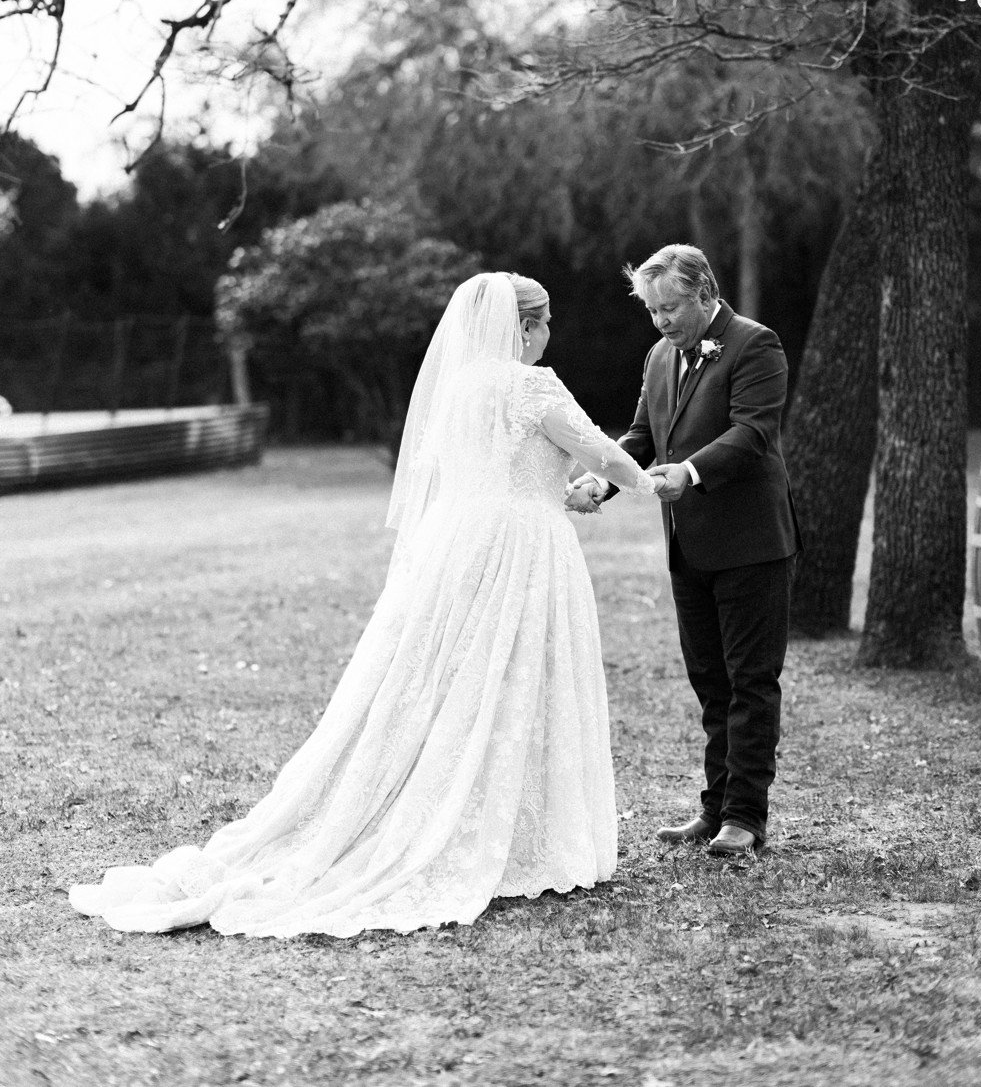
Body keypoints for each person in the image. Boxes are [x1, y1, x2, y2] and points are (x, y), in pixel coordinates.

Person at [71, 272, 669, 936]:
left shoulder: (455, 388)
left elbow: (485, 477)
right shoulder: (533, 384)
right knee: (513, 677)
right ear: (525, 327)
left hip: (458, 546)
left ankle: (476, 814)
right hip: (522, 551)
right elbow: (602, 456)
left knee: (450, 679)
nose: (548, 337)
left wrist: (558, 495)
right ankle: (510, 833)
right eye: (545, 324)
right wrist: (646, 482)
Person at [568, 244, 796, 860]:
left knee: (751, 682)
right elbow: (642, 436)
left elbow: (753, 433)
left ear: (703, 291)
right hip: (688, 545)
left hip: (751, 542)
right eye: (652, 311)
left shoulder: (757, 345)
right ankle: (715, 807)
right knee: (709, 682)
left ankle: (746, 818)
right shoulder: (658, 356)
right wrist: (602, 480)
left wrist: (690, 473)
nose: (661, 321)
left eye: (669, 308)